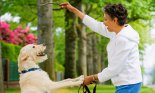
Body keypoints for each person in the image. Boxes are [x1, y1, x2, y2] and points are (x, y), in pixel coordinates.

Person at [60, 2, 142, 93]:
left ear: (114, 20)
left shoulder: (124, 40)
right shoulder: (116, 32)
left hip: (128, 84)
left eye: (106, 19)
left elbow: (114, 68)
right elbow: (96, 25)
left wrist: (93, 77)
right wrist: (73, 10)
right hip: (126, 84)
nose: (104, 22)